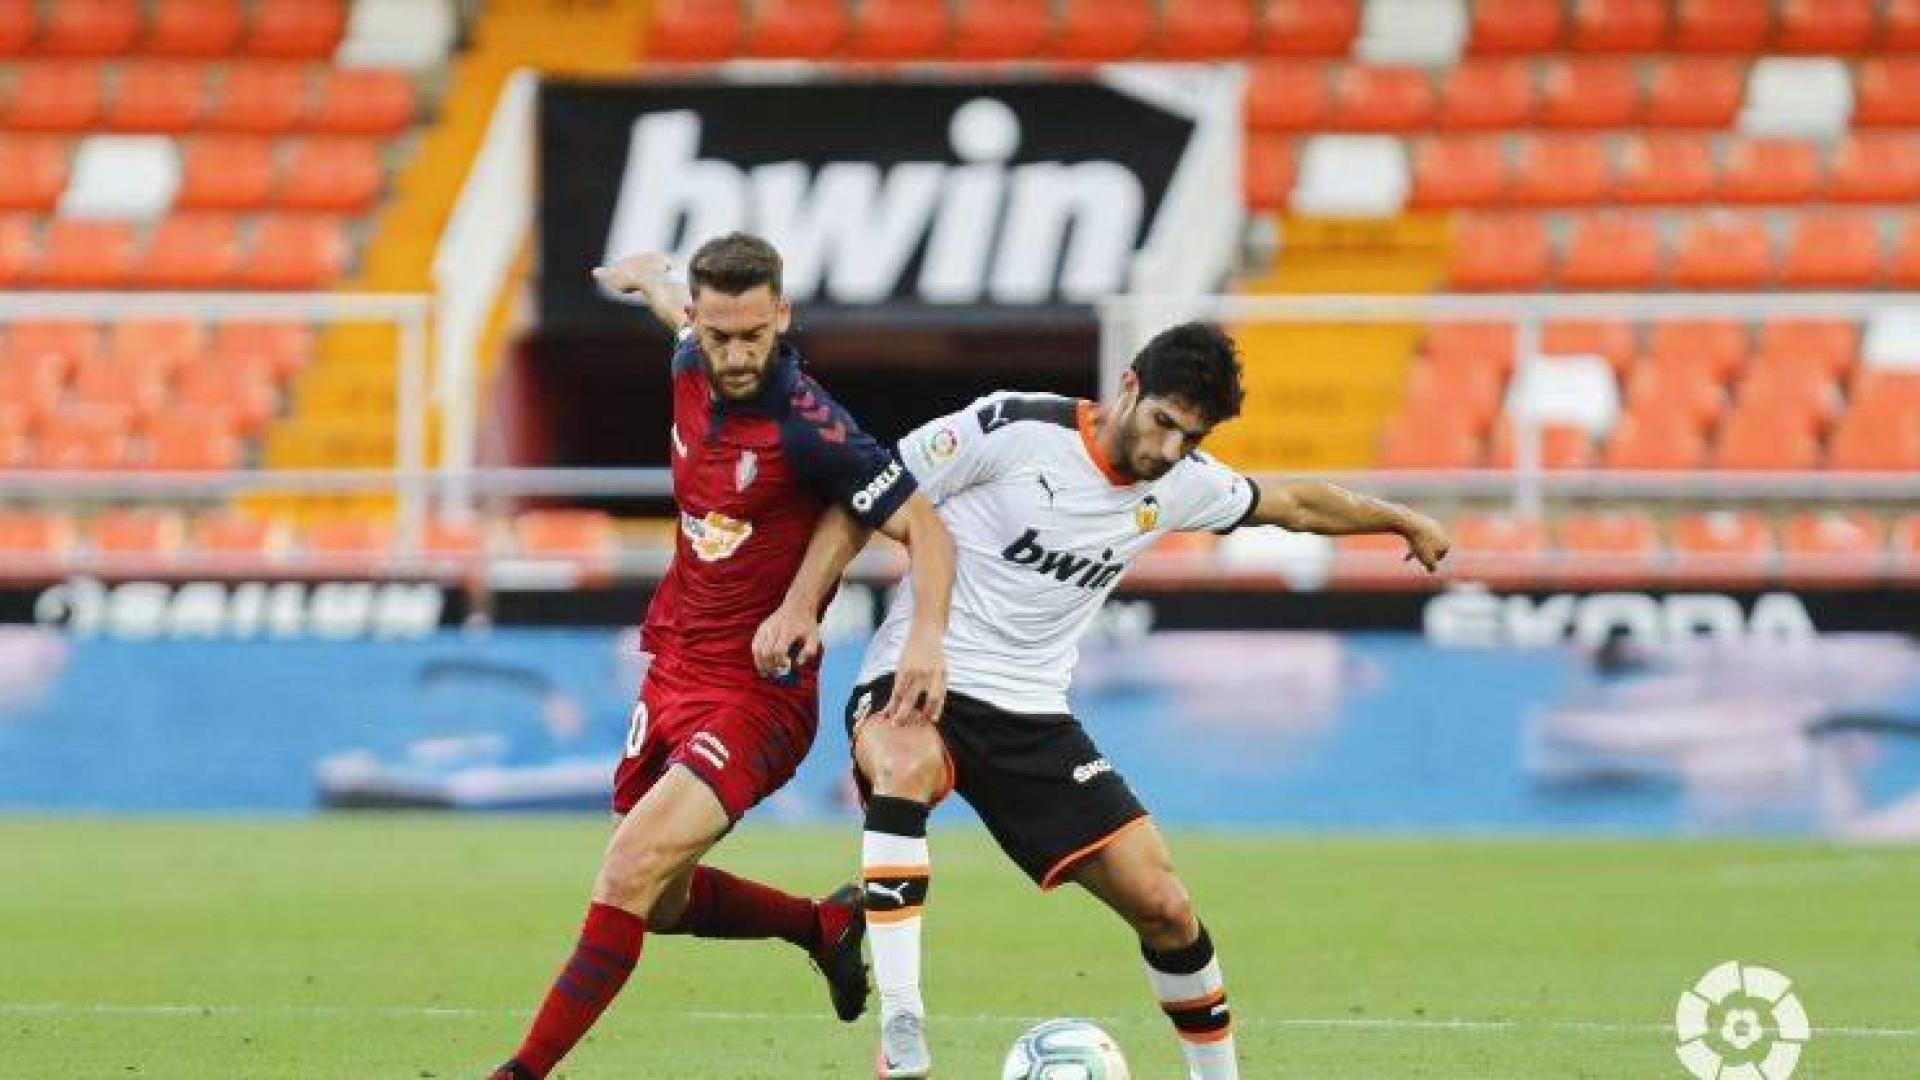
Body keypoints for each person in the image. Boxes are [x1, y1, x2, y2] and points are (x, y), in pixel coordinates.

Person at [755, 321, 1451, 1079]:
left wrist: (1399, 518)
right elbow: (865, 498)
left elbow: (1294, 504)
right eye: (1162, 423)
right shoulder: (1009, 428)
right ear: (1127, 386)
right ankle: (902, 1024)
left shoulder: (1178, 483)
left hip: (1034, 716)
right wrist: (801, 605)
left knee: (1165, 905)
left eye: (1190, 437)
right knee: (903, 760)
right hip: (923, 672)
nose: (1167, 451)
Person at [489, 234, 955, 1080]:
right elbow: (675, 308)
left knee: (627, 868)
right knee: (658, 902)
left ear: (781, 315)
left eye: (753, 335)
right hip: (671, 668)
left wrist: (921, 639)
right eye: (719, 336)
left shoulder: (811, 425)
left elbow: (924, 528)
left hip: (758, 696)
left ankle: (518, 1073)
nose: (738, 356)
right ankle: (825, 927)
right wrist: (652, 283)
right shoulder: (689, 361)